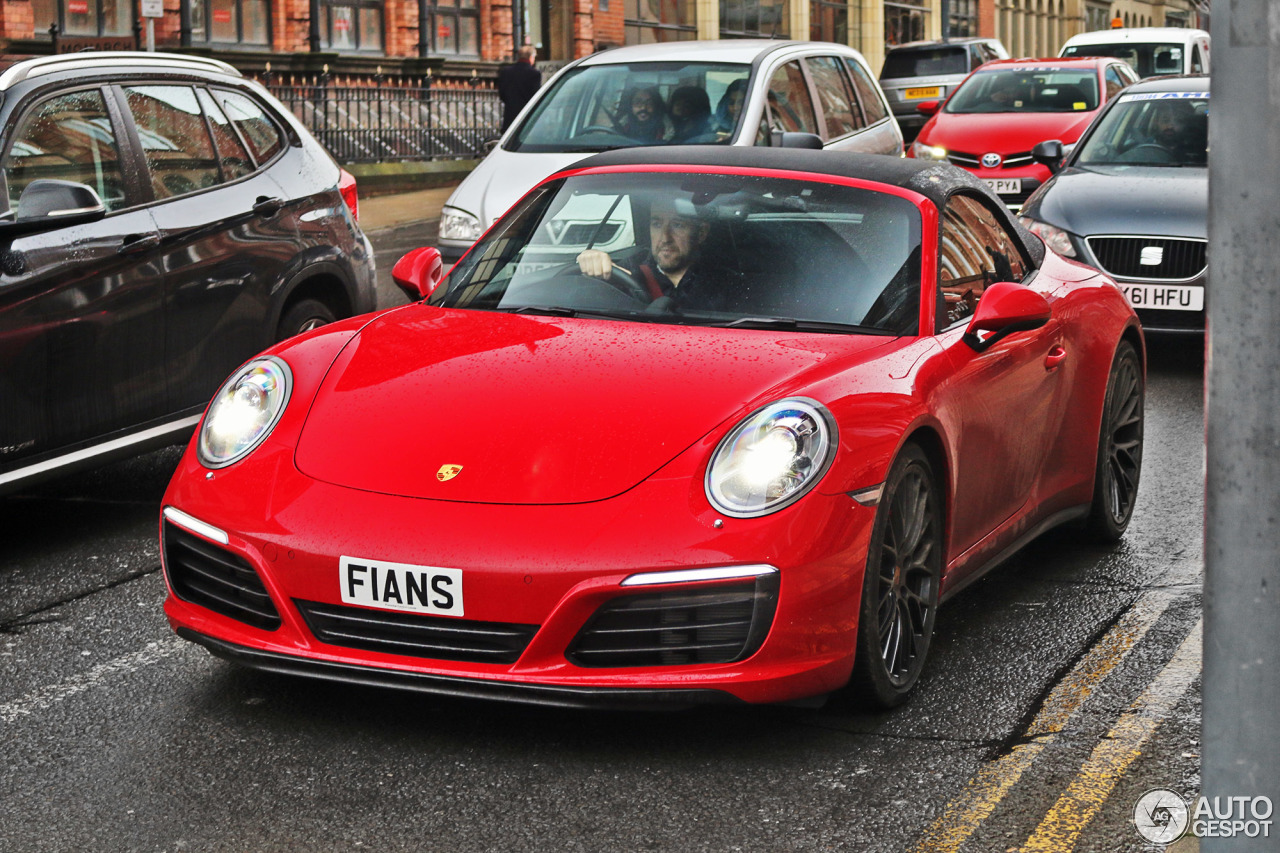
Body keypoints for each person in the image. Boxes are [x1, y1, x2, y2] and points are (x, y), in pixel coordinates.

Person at [575, 196, 737, 311]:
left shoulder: (726, 283)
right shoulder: (627, 272)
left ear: (701, 233)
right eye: (657, 224)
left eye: (678, 225)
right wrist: (592, 266)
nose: (665, 238)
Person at [497, 45, 541, 131]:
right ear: (531, 57)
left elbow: (502, 94)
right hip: (527, 115)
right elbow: (535, 95)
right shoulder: (534, 74)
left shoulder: (506, 72)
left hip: (510, 114)